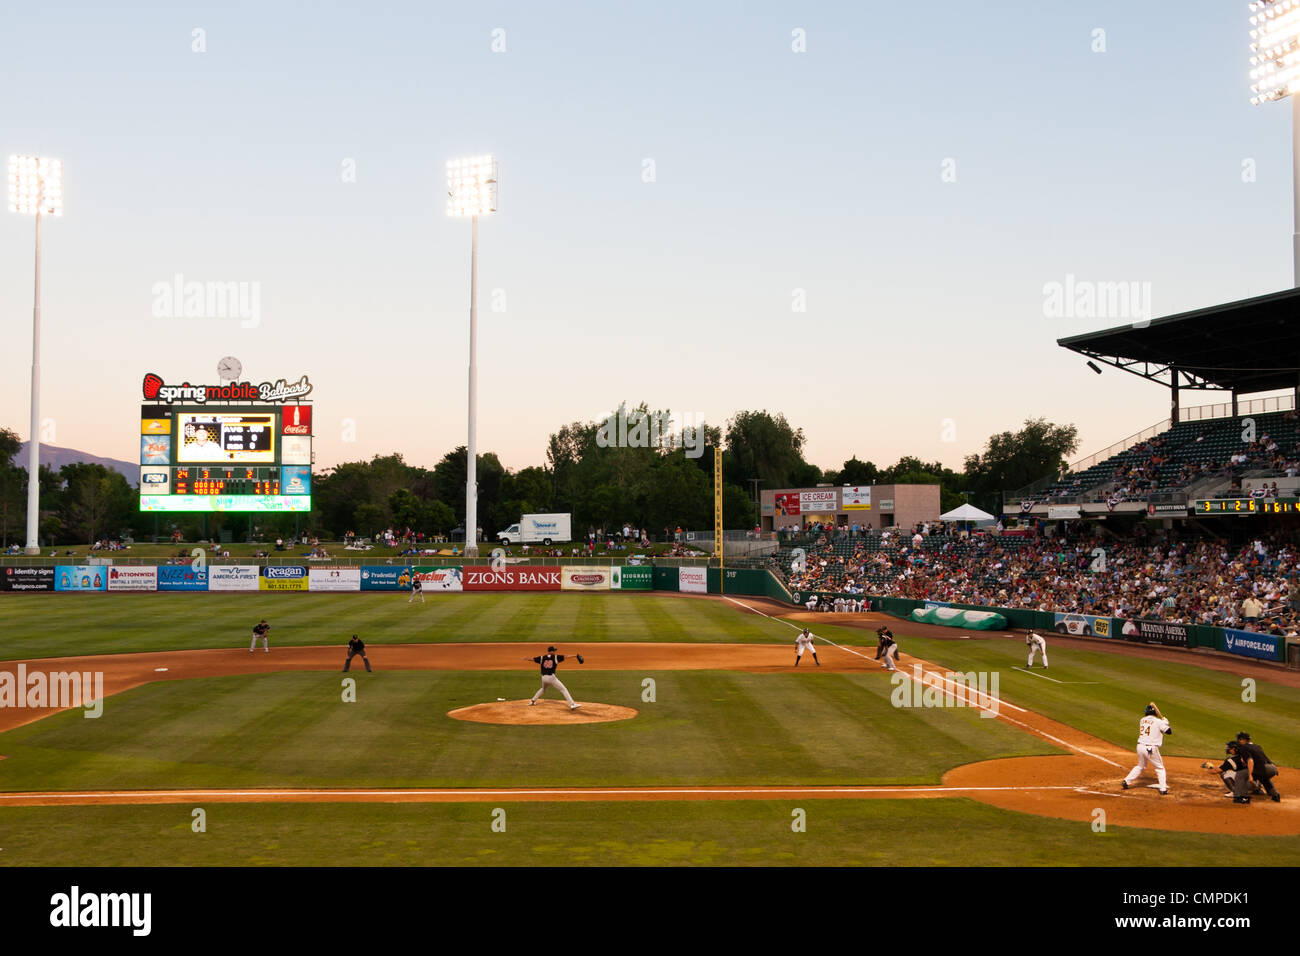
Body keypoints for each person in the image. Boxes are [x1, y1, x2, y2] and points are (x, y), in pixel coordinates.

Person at [1121, 703, 1171, 795]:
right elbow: (1169, 732)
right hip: (1150, 748)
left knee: (1141, 766)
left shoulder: (1142, 720)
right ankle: (1163, 789)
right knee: (1160, 768)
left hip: (1140, 747)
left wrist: (1162, 722)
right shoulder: (1159, 722)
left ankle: (1126, 781)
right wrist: (1165, 723)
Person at [1231, 732, 1282, 804]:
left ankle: (1241, 797)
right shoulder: (1257, 746)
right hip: (1272, 768)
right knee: (1263, 777)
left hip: (1264, 768)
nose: (1238, 741)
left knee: (1240, 774)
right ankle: (1275, 795)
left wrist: (1250, 774)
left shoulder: (1244, 747)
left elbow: (1250, 760)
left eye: (1239, 740)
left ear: (1243, 740)